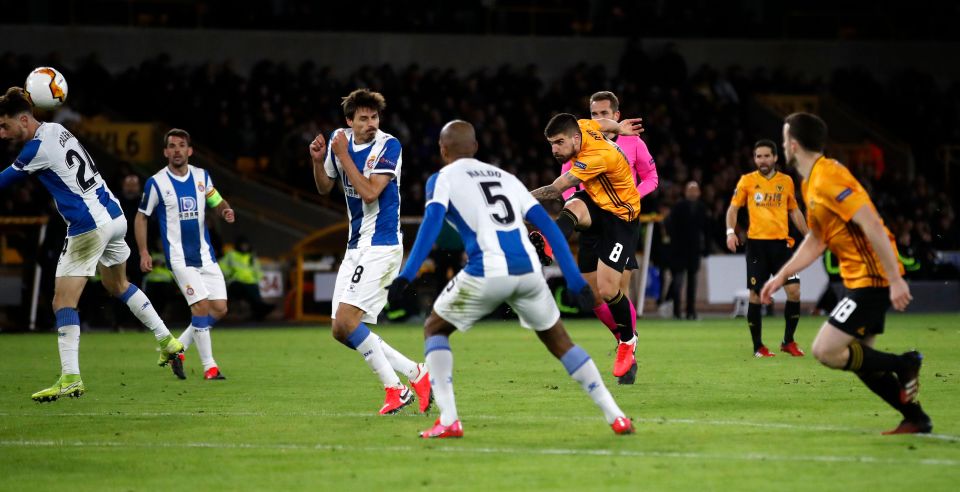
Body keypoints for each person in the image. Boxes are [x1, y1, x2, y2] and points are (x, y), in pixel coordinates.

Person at [388, 120, 634, 438]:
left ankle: (448, 421)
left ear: (443, 149)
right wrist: (574, 280)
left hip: (486, 270)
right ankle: (616, 417)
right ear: (475, 148)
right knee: (561, 343)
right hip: (529, 272)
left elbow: (432, 224)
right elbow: (547, 226)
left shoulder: (442, 178)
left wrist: (406, 275)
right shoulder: (505, 178)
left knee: (435, 327)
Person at [0, 87, 183, 401]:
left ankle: (71, 377)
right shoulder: (57, 130)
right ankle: (168, 342)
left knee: (62, 302)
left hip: (88, 227)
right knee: (118, 284)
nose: (2, 133)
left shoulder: (34, 150)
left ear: (24, 119)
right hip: (113, 215)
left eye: (5, 126)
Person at [760, 112, 931, 435]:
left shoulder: (830, 177)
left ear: (793, 145)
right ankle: (915, 418)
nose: (783, 145)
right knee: (862, 360)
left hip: (874, 277)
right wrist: (781, 276)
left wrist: (895, 278)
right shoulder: (811, 182)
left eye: (784, 140)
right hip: (862, 277)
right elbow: (817, 240)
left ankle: (905, 363)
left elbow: (871, 223)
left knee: (826, 351)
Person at [309, 88, 431, 415]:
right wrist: (318, 162)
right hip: (355, 245)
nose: (370, 123)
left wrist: (344, 155)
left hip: (382, 244)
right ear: (349, 121)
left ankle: (395, 389)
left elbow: (369, 192)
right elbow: (324, 187)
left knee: (349, 321)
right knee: (340, 329)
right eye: (363, 118)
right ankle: (417, 373)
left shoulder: (388, 145)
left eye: (374, 117)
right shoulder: (339, 140)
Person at [529, 112, 643, 381]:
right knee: (592, 296)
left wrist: (517, 197)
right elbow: (601, 124)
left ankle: (627, 341)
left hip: (620, 218)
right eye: (551, 144)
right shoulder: (583, 127)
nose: (555, 150)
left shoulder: (597, 157)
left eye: (559, 143)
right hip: (596, 203)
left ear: (575, 139)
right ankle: (547, 244)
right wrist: (619, 127)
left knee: (607, 289)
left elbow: (557, 188)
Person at [554, 91, 659, 383]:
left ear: (616, 115)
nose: (599, 119)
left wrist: (629, 198)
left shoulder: (633, 143)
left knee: (614, 286)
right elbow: (566, 181)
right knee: (593, 293)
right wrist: (571, 202)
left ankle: (628, 352)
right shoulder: (580, 142)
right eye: (594, 113)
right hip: (592, 218)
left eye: (604, 114)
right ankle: (624, 337)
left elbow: (652, 178)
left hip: (620, 221)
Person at [136, 128, 234, 381]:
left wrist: (225, 210)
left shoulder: (202, 176)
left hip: (205, 255)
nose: (177, 150)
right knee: (200, 306)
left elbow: (215, 199)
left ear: (189, 150)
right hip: (179, 258)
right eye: (172, 145)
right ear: (165, 152)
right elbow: (141, 217)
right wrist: (144, 251)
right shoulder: (157, 182)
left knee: (220, 308)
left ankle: (176, 350)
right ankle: (210, 367)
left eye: (182, 145)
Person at [726, 140, 809, 357]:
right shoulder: (747, 181)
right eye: (758, 156)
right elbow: (733, 209)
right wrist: (730, 232)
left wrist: (809, 234)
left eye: (766, 156)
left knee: (794, 291)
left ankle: (788, 341)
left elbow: (794, 211)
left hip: (781, 246)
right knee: (755, 296)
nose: (762, 160)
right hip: (757, 248)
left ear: (775, 158)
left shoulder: (786, 181)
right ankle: (758, 347)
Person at [664, 181, 708, 320]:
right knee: (678, 281)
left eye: (695, 190)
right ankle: (677, 311)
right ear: (685, 192)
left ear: (699, 193)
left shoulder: (702, 208)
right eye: (690, 190)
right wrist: (674, 241)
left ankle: (691, 311)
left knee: (692, 282)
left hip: (694, 251)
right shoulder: (678, 207)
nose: (693, 192)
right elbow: (669, 224)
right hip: (679, 250)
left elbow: (706, 229)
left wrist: (705, 247)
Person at [219, 235, 274, 321]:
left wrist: (263, 279)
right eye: (243, 245)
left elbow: (257, 270)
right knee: (248, 290)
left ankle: (259, 310)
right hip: (236, 283)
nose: (244, 247)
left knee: (253, 289)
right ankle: (261, 308)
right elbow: (221, 265)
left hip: (250, 283)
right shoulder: (231, 255)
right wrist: (229, 274)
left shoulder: (251, 256)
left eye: (246, 245)